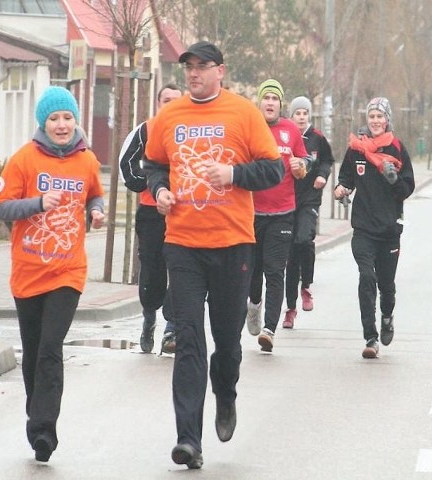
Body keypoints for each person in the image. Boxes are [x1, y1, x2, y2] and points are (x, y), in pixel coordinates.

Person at [142, 41, 283, 469]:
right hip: (182, 244)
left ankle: (226, 392)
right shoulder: (169, 116)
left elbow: (273, 168)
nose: (194, 74)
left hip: (232, 245)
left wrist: (233, 173)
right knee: (188, 341)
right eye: (188, 67)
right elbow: (153, 166)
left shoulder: (242, 113)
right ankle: (188, 439)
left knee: (227, 342)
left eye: (202, 67)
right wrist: (160, 190)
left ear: (220, 71)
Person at [0, 86, 105, 462]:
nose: (61, 125)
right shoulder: (24, 159)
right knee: (34, 351)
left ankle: (44, 432)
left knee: (51, 349)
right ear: (43, 122)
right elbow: (1, 209)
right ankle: (36, 414)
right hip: (28, 271)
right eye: (54, 118)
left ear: (76, 120)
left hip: (68, 271)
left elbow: (94, 195)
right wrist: (38, 202)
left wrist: (97, 211)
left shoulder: (86, 160)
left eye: (67, 117)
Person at [333, 97, 415, 359]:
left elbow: (406, 188)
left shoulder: (397, 149)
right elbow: (345, 178)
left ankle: (387, 316)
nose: (376, 121)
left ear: (387, 119)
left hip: (389, 229)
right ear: (366, 120)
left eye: (380, 116)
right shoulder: (356, 149)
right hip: (363, 228)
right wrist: (341, 189)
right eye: (372, 116)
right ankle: (371, 338)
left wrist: (393, 179)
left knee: (386, 285)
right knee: (366, 277)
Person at [245, 79, 309, 351]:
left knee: (275, 271)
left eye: (274, 98)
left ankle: (270, 329)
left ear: (280, 104)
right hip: (251, 213)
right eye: (266, 98)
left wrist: (300, 167)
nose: (270, 102)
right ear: (259, 102)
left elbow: (304, 163)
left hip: (282, 212)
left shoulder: (290, 130)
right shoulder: (249, 128)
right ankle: (253, 305)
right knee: (252, 273)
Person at [119, 83, 182, 355]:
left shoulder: (189, 132)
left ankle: (172, 326)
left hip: (182, 213)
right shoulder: (145, 130)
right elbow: (126, 165)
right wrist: (150, 185)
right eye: (166, 100)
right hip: (150, 212)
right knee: (152, 270)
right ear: (158, 103)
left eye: (176, 101)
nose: (170, 105)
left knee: (180, 269)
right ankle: (148, 316)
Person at [282, 95, 334, 328]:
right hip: (288, 199)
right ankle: (290, 309)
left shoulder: (318, 138)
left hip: (310, 199)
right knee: (291, 255)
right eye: (297, 113)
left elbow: (327, 161)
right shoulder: (286, 137)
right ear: (291, 116)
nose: (301, 117)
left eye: (304, 113)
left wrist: (322, 175)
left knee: (304, 240)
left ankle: (306, 286)